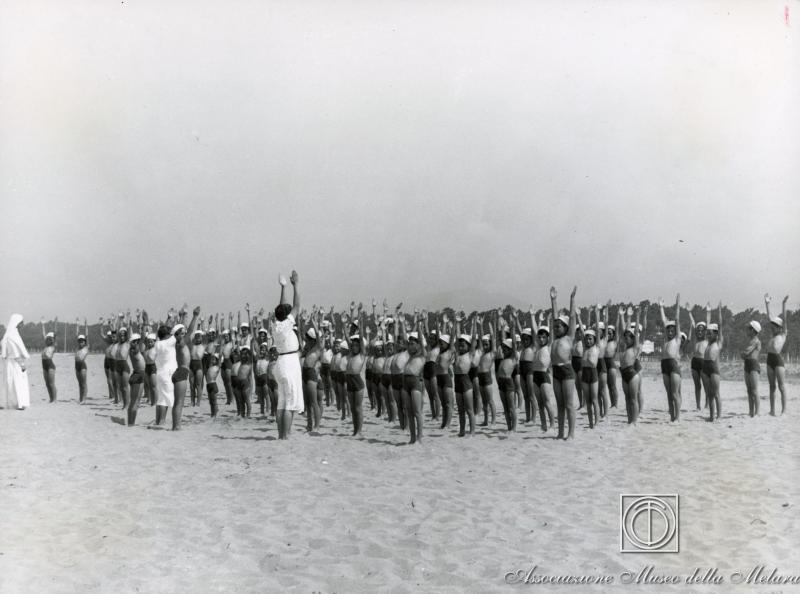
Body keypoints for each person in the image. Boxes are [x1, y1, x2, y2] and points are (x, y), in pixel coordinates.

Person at [273, 270, 304, 439]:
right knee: (290, 403)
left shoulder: (277, 324)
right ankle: (285, 435)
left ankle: (281, 434)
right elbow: (297, 306)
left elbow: (282, 308)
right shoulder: (285, 324)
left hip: (281, 362)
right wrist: (296, 285)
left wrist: (283, 288)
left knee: (282, 402)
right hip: (289, 362)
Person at [550, 286, 578, 440]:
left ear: (566, 327)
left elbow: (572, 317)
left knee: (569, 405)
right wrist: (553, 300)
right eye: (555, 326)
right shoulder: (555, 339)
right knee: (560, 405)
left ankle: (571, 434)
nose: (556, 328)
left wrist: (572, 299)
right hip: (556, 372)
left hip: (566, 371)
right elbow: (555, 316)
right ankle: (560, 433)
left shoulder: (569, 337)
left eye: (559, 326)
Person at [402, 313, 426, 444]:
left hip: (415, 382)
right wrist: (402, 324)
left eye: (412, 344)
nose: (410, 346)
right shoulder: (410, 355)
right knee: (409, 412)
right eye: (409, 344)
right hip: (405, 382)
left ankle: (419, 437)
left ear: (418, 345)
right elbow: (404, 338)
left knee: (417, 412)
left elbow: (421, 341)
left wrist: (419, 325)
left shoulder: (422, 355)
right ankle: (412, 438)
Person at [658, 294, 682, 422]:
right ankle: (672, 417)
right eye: (668, 330)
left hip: (673, 365)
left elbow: (677, 320)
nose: (670, 332)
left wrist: (677, 305)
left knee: (675, 393)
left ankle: (677, 417)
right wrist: (661, 307)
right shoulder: (665, 340)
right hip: (664, 365)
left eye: (672, 330)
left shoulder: (677, 339)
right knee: (668, 393)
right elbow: (664, 322)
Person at [764, 293, 789, 416]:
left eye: (775, 326)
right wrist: (767, 303)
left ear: (780, 327)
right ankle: (772, 411)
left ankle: (783, 411)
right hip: (769, 360)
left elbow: (785, 318)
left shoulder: (783, 334)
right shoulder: (773, 335)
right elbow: (770, 316)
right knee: (772, 386)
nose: (772, 328)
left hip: (778, 361)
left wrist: (783, 304)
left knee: (781, 386)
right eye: (772, 326)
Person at [1, 314, 31, 410]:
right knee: (18, 382)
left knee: (9, 382)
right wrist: (22, 365)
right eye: (21, 322)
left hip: (8, 363)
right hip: (15, 363)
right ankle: (19, 404)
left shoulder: (7, 335)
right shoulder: (13, 336)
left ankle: (7, 403)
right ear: (17, 323)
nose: (23, 324)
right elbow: (15, 353)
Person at [619, 306, 643, 424]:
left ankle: (635, 421)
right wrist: (623, 316)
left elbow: (636, 332)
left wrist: (637, 316)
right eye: (625, 337)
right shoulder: (623, 348)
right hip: (623, 374)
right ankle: (629, 420)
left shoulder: (634, 348)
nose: (626, 338)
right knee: (627, 400)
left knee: (633, 399)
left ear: (633, 339)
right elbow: (623, 330)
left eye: (628, 337)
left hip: (632, 374)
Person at [702, 302, 723, 422]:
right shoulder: (708, 342)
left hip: (714, 368)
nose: (708, 335)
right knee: (709, 394)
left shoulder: (718, 342)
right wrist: (708, 312)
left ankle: (719, 416)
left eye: (710, 333)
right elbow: (708, 324)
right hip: (705, 367)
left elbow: (720, 325)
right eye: (708, 333)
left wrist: (719, 311)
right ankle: (711, 417)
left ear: (716, 333)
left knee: (716, 394)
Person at [581, 307, 601, 429]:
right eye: (586, 339)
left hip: (593, 374)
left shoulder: (596, 347)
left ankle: (597, 421)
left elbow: (597, 330)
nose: (588, 341)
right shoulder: (584, 348)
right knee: (588, 402)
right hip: (584, 374)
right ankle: (590, 423)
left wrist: (597, 314)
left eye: (590, 339)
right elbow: (582, 331)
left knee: (594, 400)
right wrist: (578, 317)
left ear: (594, 340)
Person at [687, 306, 709, 410]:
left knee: (706, 385)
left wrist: (708, 312)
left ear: (705, 331)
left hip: (704, 362)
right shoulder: (695, 340)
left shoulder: (707, 340)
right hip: (694, 362)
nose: (700, 332)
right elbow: (693, 324)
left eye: (701, 330)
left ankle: (707, 404)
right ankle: (698, 406)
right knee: (697, 385)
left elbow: (708, 324)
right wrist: (689, 312)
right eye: (698, 330)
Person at [741, 320, 762, 418]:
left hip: (753, 365)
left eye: (749, 328)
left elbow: (745, 353)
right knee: (749, 390)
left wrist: (743, 354)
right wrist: (743, 354)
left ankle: (757, 413)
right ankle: (751, 412)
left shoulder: (757, 341)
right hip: (747, 364)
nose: (747, 330)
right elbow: (744, 354)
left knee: (754, 390)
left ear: (753, 330)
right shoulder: (750, 341)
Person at [127, 333, 146, 425]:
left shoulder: (133, 350)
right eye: (137, 342)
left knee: (134, 402)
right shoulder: (135, 350)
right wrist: (144, 328)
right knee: (135, 402)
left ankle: (130, 422)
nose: (138, 343)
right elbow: (143, 339)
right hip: (138, 375)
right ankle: (131, 423)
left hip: (137, 375)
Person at [41, 323, 57, 403]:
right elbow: (44, 335)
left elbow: (54, 336)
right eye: (48, 339)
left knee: (51, 383)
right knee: (47, 384)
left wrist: (55, 323)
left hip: (50, 365)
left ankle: (54, 399)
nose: (48, 340)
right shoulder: (46, 346)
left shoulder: (53, 346)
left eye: (50, 339)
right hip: (44, 365)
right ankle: (51, 398)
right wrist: (43, 325)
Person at [74, 320, 89, 404]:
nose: (80, 342)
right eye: (79, 341)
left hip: (82, 366)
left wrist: (86, 325)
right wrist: (77, 325)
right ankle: (80, 398)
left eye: (82, 341)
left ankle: (84, 399)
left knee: (83, 383)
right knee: (80, 383)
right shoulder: (77, 348)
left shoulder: (86, 347)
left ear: (85, 342)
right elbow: (77, 334)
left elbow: (87, 336)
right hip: (76, 366)